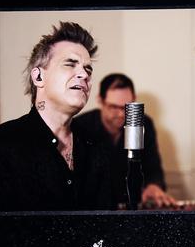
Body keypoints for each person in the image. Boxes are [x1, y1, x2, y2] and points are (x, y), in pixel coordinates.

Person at [0, 22, 113, 211]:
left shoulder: (96, 148)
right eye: (70, 64)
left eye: (88, 69)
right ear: (38, 77)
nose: (84, 74)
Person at [73, 73, 175, 208]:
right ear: (100, 100)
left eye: (127, 107)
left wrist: (153, 185)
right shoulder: (80, 126)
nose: (121, 114)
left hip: (132, 208)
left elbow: (153, 167)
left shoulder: (144, 123)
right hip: (93, 211)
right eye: (114, 107)